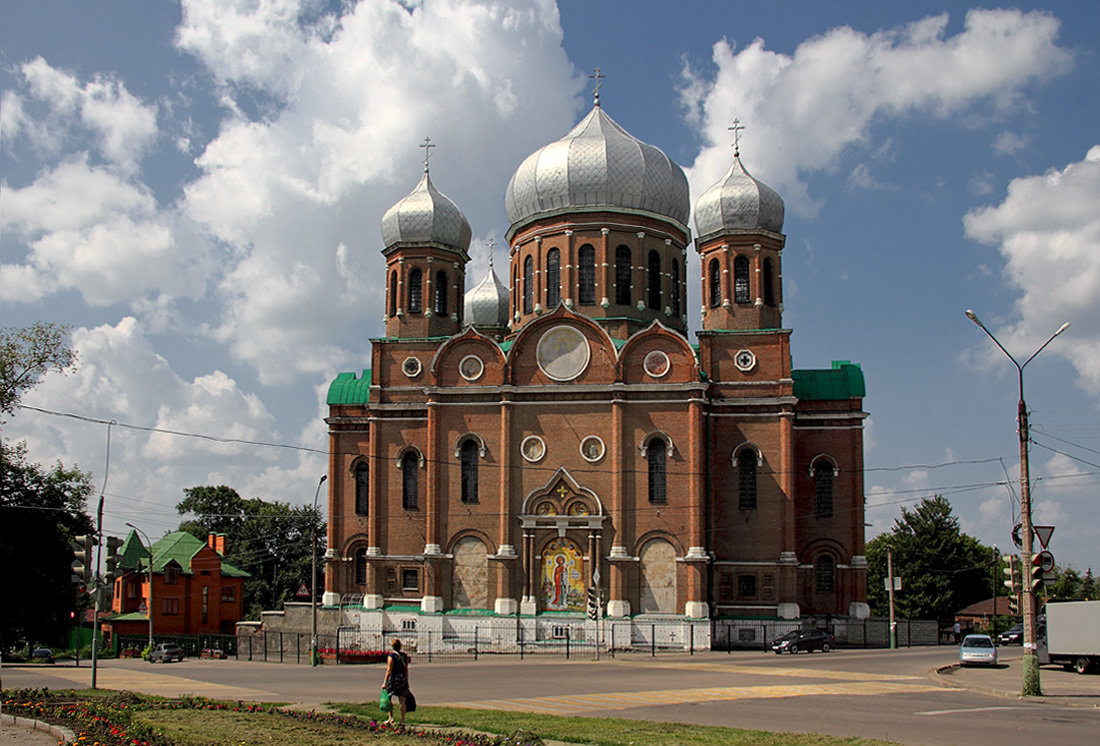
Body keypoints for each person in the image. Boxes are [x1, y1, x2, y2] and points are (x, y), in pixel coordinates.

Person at [382, 638, 410, 727]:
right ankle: (402, 720)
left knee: (389, 697)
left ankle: (391, 718)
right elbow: (406, 669)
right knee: (402, 701)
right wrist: (406, 679)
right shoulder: (404, 656)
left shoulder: (391, 656)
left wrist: (384, 682)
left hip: (394, 678)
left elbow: (389, 670)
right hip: (402, 678)